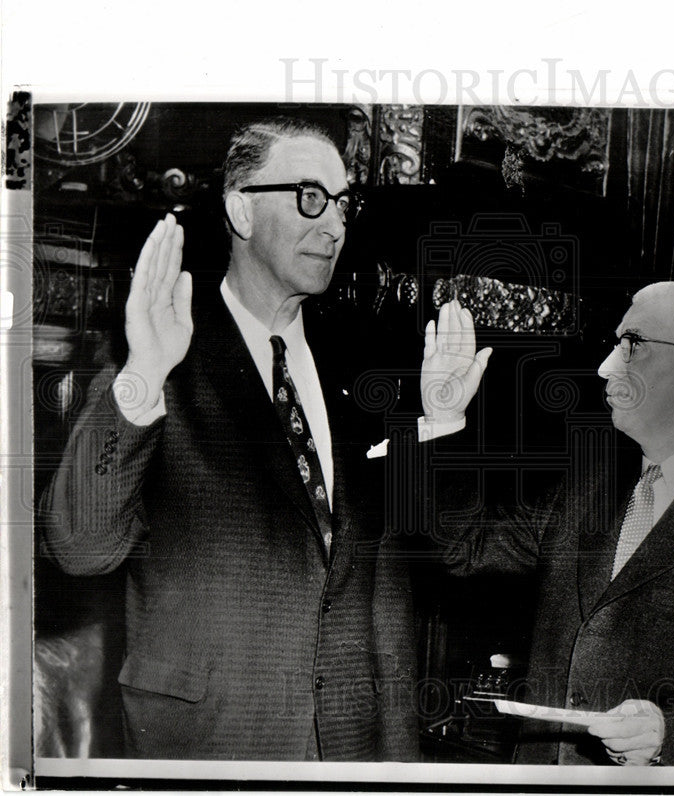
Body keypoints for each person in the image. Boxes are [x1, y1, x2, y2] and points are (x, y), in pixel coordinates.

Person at [39, 117, 451, 761]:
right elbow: (81, 547)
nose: (335, 225)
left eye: (345, 205)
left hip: (347, 752)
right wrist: (145, 372)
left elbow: (389, 597)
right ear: (241, 211)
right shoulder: (164, 358)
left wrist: (398, 764)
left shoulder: (362, 371)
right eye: (311, 198)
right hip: (212, 747)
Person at [419, 282, 674, 766]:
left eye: (631, 345)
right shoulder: (587, 488)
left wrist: (669, 735)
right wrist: (443, 415)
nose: (606, 367)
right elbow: (461, 547)